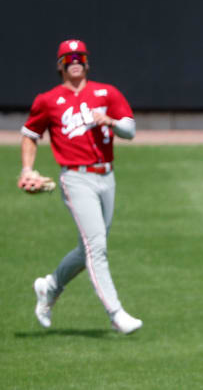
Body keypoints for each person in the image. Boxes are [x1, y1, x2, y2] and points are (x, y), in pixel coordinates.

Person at [19, 39, 142, 334]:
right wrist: (27, 169)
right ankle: (115, 313)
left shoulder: (106, 92)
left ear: (87, 62)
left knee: (87, 248)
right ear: (60, 65)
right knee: (96, 247)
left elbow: (130, 130)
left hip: (106, 176)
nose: (75, 61)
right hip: (75, 177)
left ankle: (49, 286)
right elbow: (29, 134)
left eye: (80, 56)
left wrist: (109, 120)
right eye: (68, 57)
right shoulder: (48, 100)